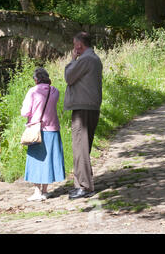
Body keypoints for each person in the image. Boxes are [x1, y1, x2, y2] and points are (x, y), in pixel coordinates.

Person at [64, 31, 103, 199]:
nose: (74, 49)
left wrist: (72, 59)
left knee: (80, 147)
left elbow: (68, 76)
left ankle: (85, 187)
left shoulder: (86, 59)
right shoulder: (94, 59)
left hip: (83, 108)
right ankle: (80, 184)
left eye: (75, 46)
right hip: (90, 107)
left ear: (79, 45)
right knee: (82, 147)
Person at [21, 67, 66, 201]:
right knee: (48, 160)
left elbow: (25, 112)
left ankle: (36, 192)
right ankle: (45, 191)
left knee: (36, 160)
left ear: (35, 79)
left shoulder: (33, 91)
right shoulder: (55, 91)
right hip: (53, 130)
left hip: (37, 130)